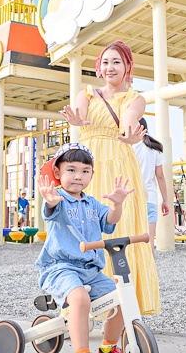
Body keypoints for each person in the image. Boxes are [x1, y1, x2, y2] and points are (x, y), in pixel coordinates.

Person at [61, 41, 160, 316]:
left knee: (120, 227)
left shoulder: (135, 98)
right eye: (105, 62)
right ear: (98, 67)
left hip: (118, 164)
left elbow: (130, 116)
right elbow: (79, 113)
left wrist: (129, 132)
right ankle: (81, 301)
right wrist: (76, 120)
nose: (110, 67)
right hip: (87, 165)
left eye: (116, 61)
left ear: (127, 66)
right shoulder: (88, 93)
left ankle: (122, 305)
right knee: (82, 225)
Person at [35, 143, 131, 353]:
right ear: (58, 173)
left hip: (90, 270)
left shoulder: (92, 204)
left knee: (121, 297)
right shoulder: (58, 199)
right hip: (61, 267)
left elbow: (109, 221)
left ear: (92, 174)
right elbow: (49, 211)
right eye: (71, 170)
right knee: (79, 299)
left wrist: (117, 204)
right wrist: (50, 201)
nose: (78, 176)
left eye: (85, 171)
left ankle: (108, 349)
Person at [132, 118, 169, 252]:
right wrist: (165, 200)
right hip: (150, 198)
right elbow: (160, 176)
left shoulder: (127, 147)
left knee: (131, 238)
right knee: (149, 239)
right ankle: (150, 266)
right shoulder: (155, 148)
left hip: (132, 197)